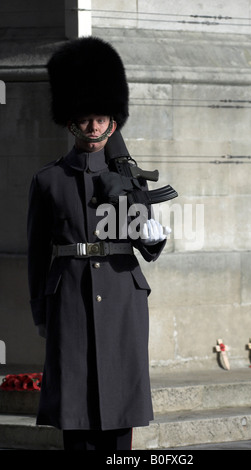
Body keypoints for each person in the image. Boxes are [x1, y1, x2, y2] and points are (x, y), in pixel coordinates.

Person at [27, 37, 172, 451]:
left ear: (113, 119)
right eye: (85, 118)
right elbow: (38, 254)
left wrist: (152, 235)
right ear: (71, 121)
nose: (93, 126)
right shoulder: (48, 180)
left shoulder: (129, 179)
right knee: (76, 409)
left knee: (118, 416)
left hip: (122, 296)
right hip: (69, 297)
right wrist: (41, 309)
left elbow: (144, 243)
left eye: (100, 117)